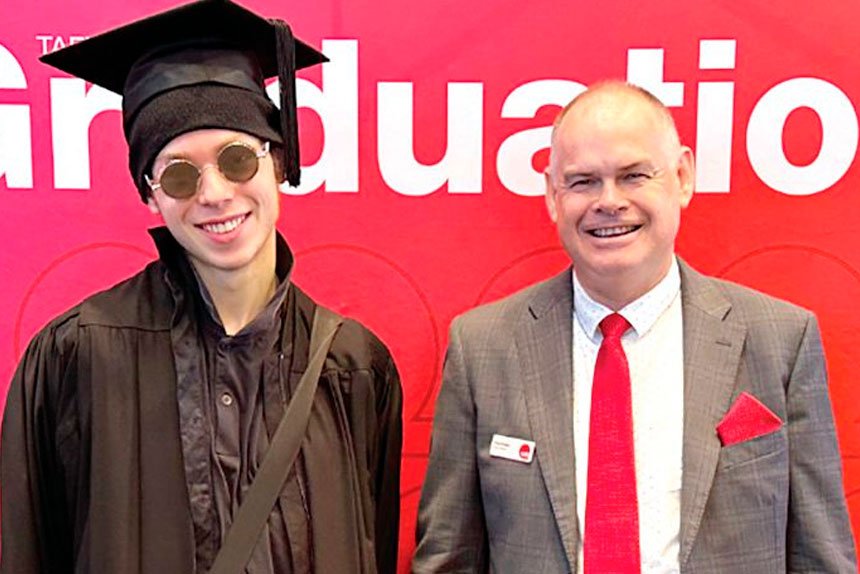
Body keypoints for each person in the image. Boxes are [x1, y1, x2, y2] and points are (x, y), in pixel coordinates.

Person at [0, 1, 402, 573]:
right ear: (151, 194)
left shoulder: (354, 368)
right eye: (179, 173)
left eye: (237, 159)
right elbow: (23, 552)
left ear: (279, 160)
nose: (212, 193)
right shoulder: (77, 357)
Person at [413, 80, 856, 573]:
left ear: (683, 177)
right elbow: (449, 559)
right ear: (552, 196)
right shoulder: (483, 349)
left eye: (633, 175)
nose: (609, 201)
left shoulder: (780, 341)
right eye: (582, 181)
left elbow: (823, 557)